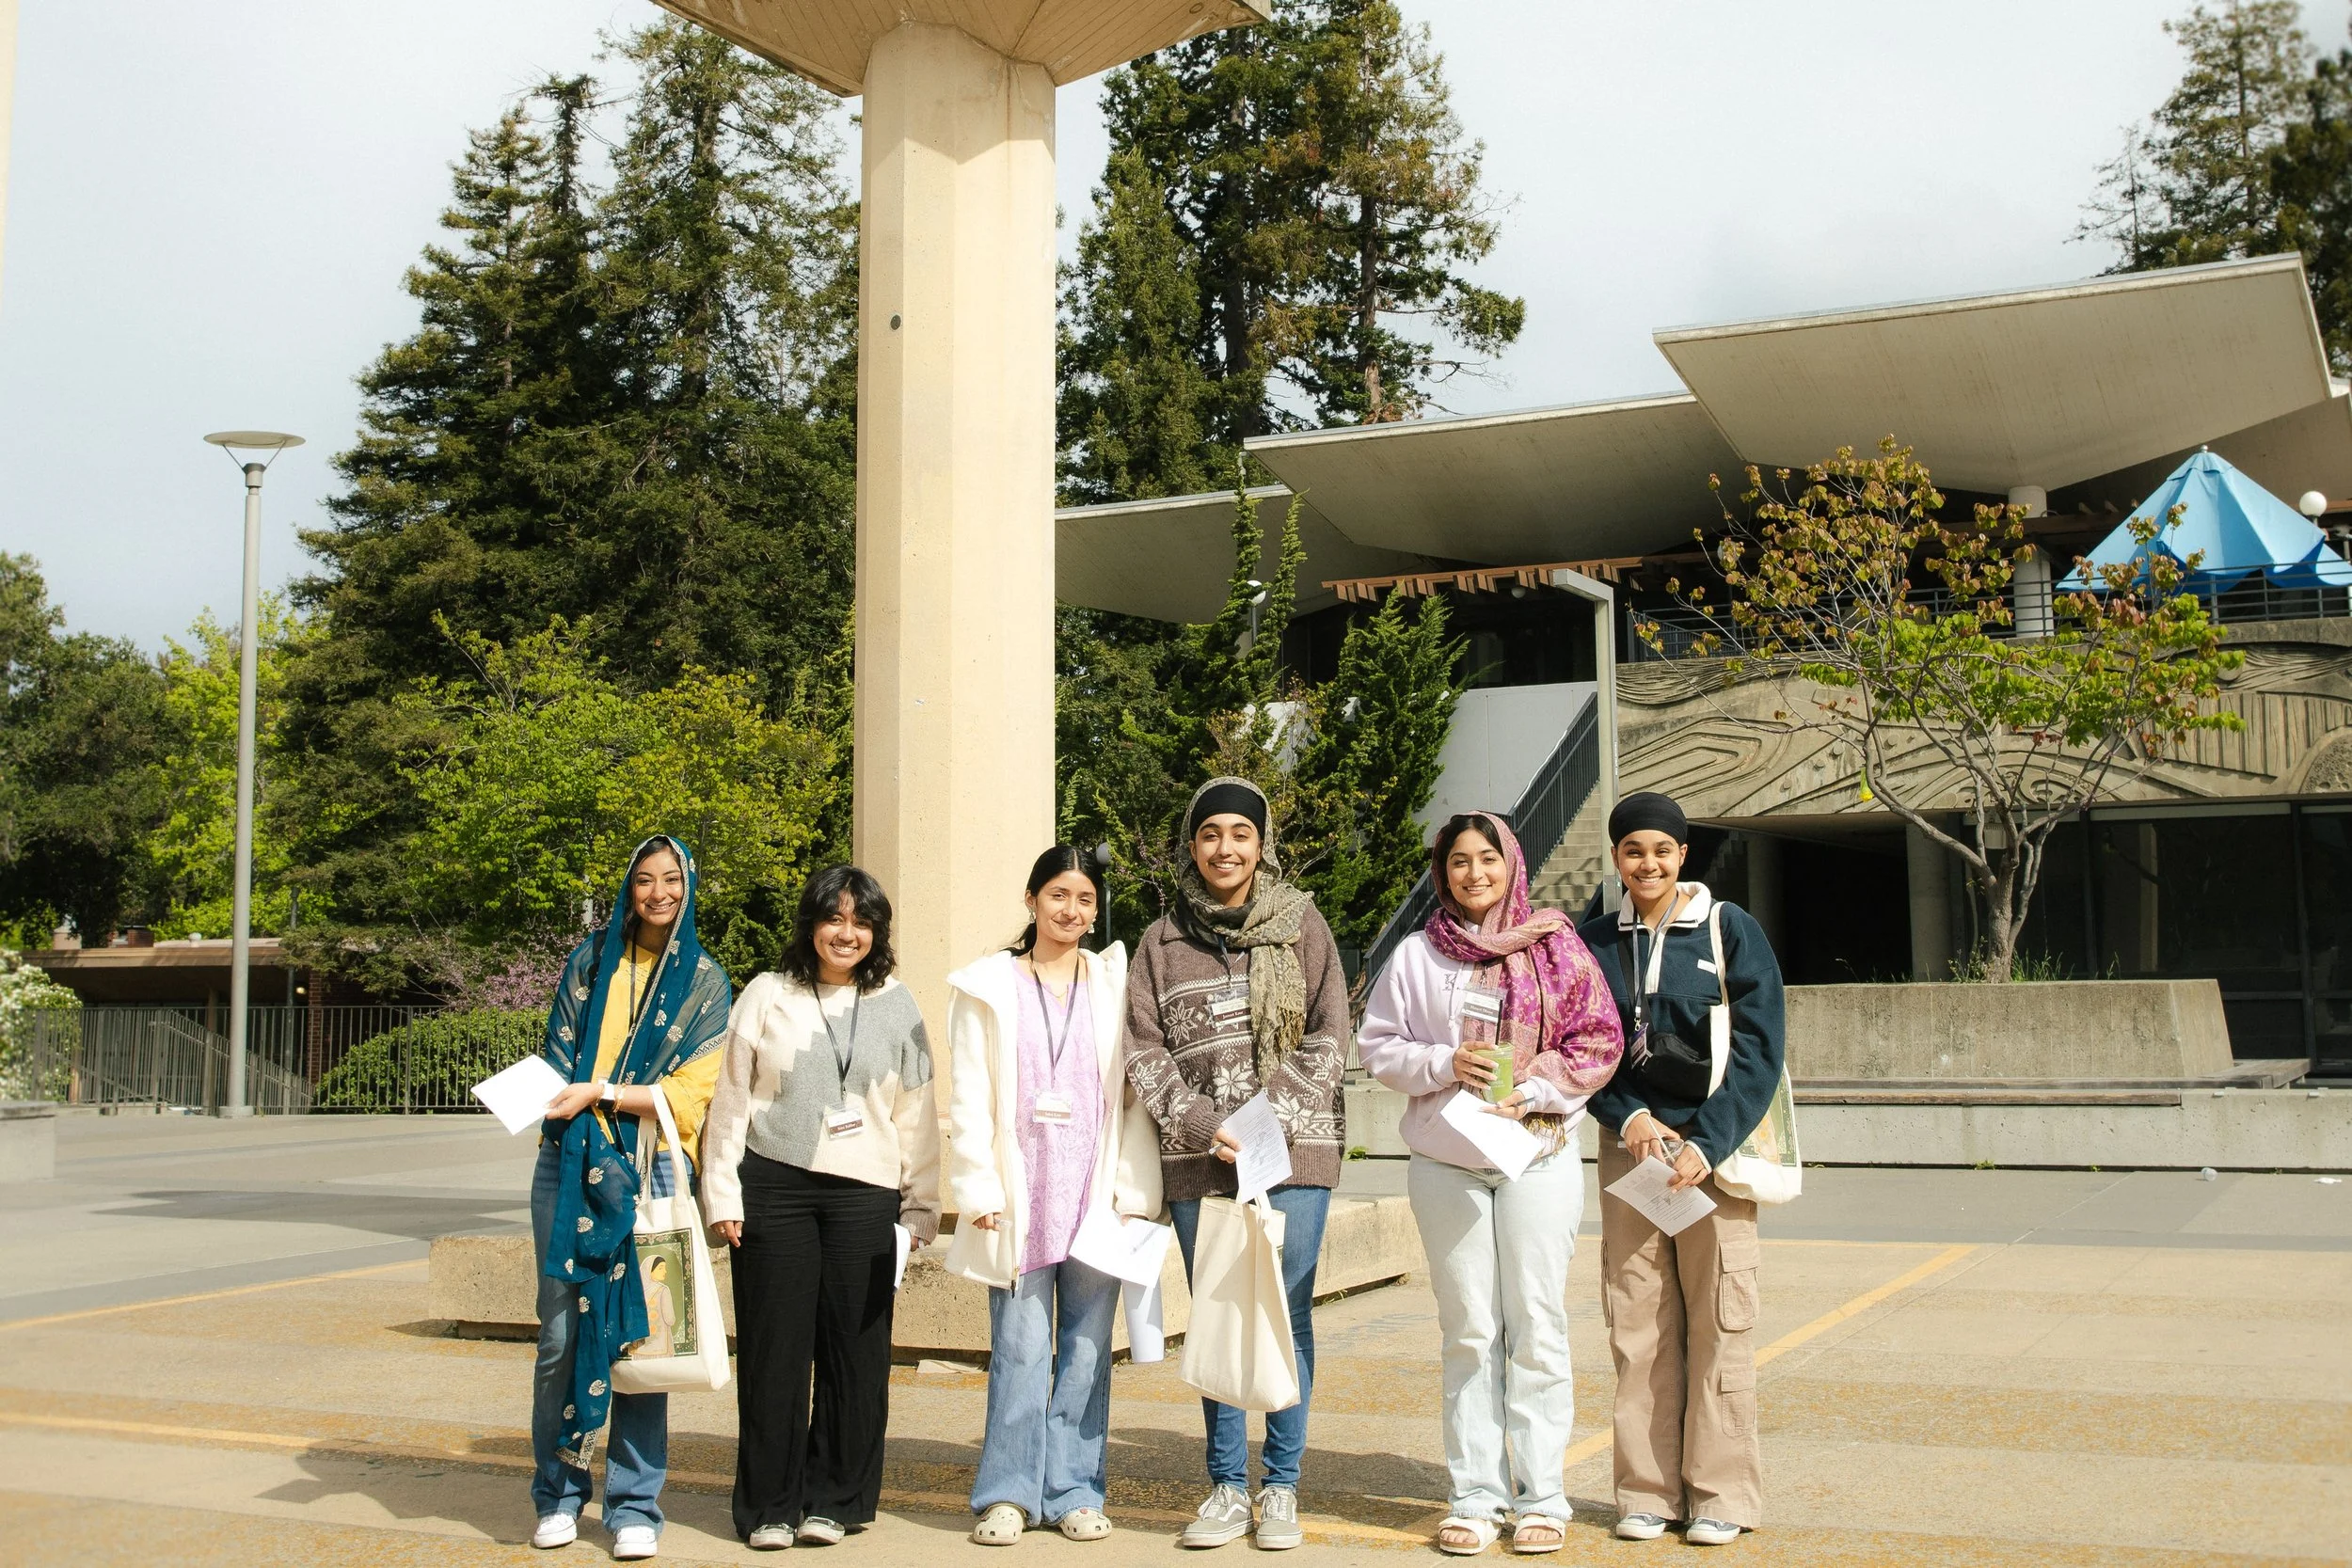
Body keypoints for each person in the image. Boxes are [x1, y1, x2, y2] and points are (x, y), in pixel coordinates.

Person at [1359, 812, 1624, 1556]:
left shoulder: (1554, 942)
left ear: (1512, 863)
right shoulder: (1417, 955)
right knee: (1470, 1328)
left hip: (1536, 1155)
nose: (1474, 874)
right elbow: (1377, 1044)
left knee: (1537, 1321)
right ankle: (1476, 1494)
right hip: (1448, 1163)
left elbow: (1599, 1036)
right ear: (1441, 873)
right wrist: (1444, 1064)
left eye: (1487, 859)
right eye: (1458, 863)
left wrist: (1535, 1087)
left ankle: (1542, 1493)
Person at [1123, 777, 1352, 1552]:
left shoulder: (1302, 924)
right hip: (1200, 1157)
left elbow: (1330, 1029)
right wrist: (1204, 1122)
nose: (1226, 847)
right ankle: (1226, 1484)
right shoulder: (1159, 942)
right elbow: (1142, 1048)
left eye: (1241, 834)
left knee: (1287, 1313)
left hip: (1295, 1150)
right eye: (1211, 833)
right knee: (1218, 1316)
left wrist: (1264, 1118)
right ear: (1192, 846)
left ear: (1262, 844)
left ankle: (1281, 1485)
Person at [702, 866, 942, 1551]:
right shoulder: (766, 995)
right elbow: (730, 1102)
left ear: (877, 931)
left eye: (861, 920)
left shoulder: (897, 1002)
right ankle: (769, 1504)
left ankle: (835, 1497)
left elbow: (917, 1112)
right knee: (775, 1351)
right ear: (810, 924)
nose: (847, 932)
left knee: (855, 1354)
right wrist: (723, 1192)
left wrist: (921, 1203)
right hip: (774, 1184)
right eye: (834, 918)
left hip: (865, 1193)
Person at [1578, 792, 1786, 1549]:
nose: (1648, 863)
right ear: (1617, 858)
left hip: (1713, 1156)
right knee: (1638, 1323)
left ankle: (1721, 1493)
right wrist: (1629, 1118)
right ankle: (1646, 1491)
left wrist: (1709, 1140)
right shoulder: (1594, 940)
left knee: (1721, 1321)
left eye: (1662, 850)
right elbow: (1581, 1042)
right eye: (1634, 850)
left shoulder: (1730, 930)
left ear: (1682, 855)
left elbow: (1763, 1047)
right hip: (1633, 1151)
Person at [945, 846, 1165, 1546]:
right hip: (1019, 1196)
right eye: (1058, 895)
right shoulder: (990, 985)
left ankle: (1073, 1485)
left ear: (1096, 911)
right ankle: (1008, 1492)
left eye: (1084, 900)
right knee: (1018, 1345)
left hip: (1093, 1195)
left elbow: (1132, 1099)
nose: (1071, 910)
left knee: (1086, 1349)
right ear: (1033, 899)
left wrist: (1133, 1187)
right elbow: (971, 1095)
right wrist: (977, 1183)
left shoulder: (1113, 983)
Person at [530, 835, 735, 1562]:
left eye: (671, 878)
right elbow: (557, 1055)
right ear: (628, 888)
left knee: (642, 1335)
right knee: (560, 1334)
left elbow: (692, 1095)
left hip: (646, 1169)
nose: (658, 892)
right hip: (568, 1165)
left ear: (689, 884)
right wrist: (540, 1095)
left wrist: (606, 1093)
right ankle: (557, 1490)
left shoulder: (707, 982)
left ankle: (634, 1502)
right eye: (644, 879)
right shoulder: (590, 960)